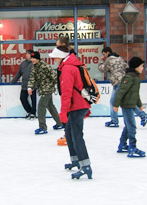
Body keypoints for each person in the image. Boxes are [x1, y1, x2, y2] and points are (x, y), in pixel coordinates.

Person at [49, 46, 92, 179]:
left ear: (61, 56)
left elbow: (66, 93)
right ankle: (75, 160)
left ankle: (85, 166)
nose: (54, 59)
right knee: (69, 132)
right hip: (77, 104)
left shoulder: (67, 68)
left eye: (56, 57)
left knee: (76, 136)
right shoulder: (69, 64)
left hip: (76, 106)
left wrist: (63, 113)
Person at [98, 47, 147, 128]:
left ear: (107, 53)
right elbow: (127, 67)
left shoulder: (109, 59)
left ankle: (115, 120)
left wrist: (101, 61)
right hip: (124, 81)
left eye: (104, 54)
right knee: (127, 102)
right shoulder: (120, 58)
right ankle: (142, 115)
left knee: (114, 102)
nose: (103, 56)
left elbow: (102, 69)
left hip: (118, 82)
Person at [113, 57, 146, 157]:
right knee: (131, 126)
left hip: (131, 104)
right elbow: (121, 91)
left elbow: (136, 94)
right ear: (136, 67)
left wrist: (139, 105)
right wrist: (116, 104)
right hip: (127, 105)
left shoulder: (136, 77)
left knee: (128, 126)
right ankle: (132, 147)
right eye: (141, 66)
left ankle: (122, 144)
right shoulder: (129, 77)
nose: (143, 68)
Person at [27, 51, 63, 134]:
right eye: (32, 58)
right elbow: (32, 78)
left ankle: (42, 127)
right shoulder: (34, 67)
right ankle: (60, 123)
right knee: (50, 106)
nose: (32, 60)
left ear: (38, 58)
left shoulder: (45, 66)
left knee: (41, 106)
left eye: (34, 58)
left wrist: (57, 85)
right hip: (42, 89)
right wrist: (30, 87)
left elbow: (54, 76)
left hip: (47, 89)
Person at [10, 50, 36, 120]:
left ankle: (33, 113)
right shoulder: (23, 63)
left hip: (32, 85)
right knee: (22, 98)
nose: (26, 55)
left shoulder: (34, 63)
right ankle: (29, 111)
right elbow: (19, 73)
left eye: (28, 54)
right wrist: (13, 81)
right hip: (24, 85)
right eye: (26, 54)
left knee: (33, 99)